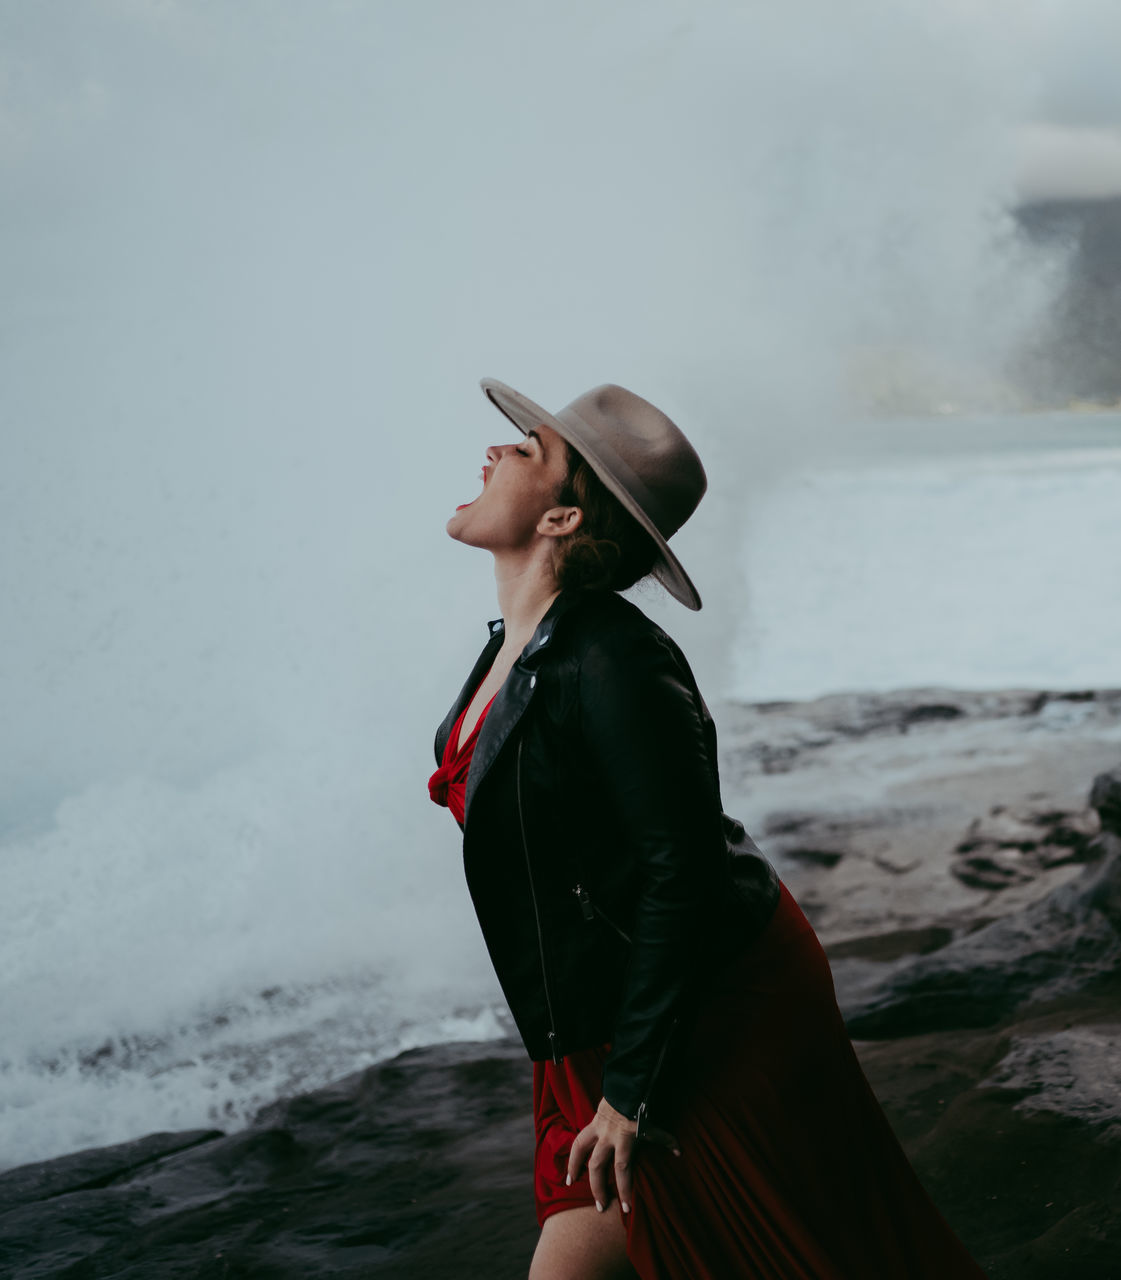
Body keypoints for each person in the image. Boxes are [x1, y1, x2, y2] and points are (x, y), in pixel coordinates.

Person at [429, 379, 988, 1280]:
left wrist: (630, 1090)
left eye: (525, 451)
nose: (494, 453)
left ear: (565, 519)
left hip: (705, 1010)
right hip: (601, 1016)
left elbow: (678, 870)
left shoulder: (615, 657)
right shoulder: (516, 649)